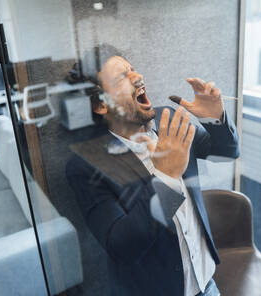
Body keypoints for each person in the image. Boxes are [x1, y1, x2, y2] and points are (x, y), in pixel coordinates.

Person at [66, 47, 240, 296]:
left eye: (132, 70)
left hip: (208, 284)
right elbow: (122, 246)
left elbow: (226, 153)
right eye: (121, 78)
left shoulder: (167, 119)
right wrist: (166, 178)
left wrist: (215, 119)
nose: (137, 77)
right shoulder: (85, 164)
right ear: (100, 105)